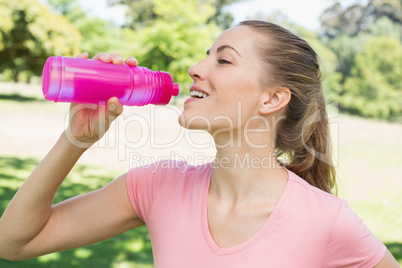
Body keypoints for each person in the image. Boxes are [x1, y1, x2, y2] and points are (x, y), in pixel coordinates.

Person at [0, 20, 398, 267]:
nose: (195, 68)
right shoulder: (157, 185)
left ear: (272, 99)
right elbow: (14, 242)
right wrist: (75, 140)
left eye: (223, 61)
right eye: (206, 55)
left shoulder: (325, 221)